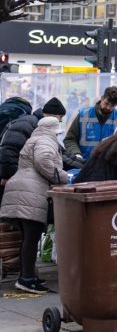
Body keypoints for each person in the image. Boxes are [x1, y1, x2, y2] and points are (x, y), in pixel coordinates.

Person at [0, 114, 68, 293]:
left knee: (27, 238)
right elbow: (43, 161)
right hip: (31, 193)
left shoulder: (34, 138)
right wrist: (62, 177)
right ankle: (26, 279)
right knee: (31, 238)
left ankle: (27, 275)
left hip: (22, 190)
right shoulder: (46, 140)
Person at [0, 97, 62, 202]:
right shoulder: (29, 123)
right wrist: (9, 176)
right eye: (60, 119)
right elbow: (9, 149)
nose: (60, 122)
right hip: (9, 178)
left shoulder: (32, 124)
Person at [61, 86, 117, 170]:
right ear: (102, 98)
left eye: (112, 105)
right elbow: (70, 139)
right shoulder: (83, 115)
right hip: (83, 166)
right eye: (106, 103)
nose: (108, 108)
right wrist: (76, 154)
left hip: (110, 169)